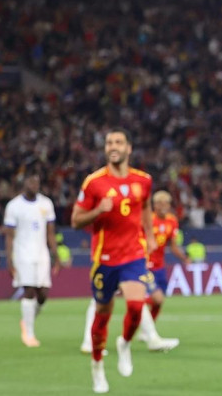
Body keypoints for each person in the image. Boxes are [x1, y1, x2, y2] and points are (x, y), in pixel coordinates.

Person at [71, 129, 157, 394]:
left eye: (118, 142)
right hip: (104, 260)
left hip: (133, 255)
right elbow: (75, 220)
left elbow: (145, 208)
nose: (113, 146)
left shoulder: (143, 180)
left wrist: (151, 236)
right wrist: (98, 211)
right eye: (109, 142)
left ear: (129, 148)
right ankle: (97, 366)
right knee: (103, 315)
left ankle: (125, 343)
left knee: (135, 305)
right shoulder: (94, 182)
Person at [2, 173, 59, 347]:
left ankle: (27, 322)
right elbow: (9, 236)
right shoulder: (14, 206)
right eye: (31, 181)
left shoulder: (46, 204)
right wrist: (9, 259)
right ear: (24, 183)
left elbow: (50, 232)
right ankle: (29, 334)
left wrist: (56, 256)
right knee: (29, 291)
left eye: (37, 181)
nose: (34, 184)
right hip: (22, 253)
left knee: (43, 295)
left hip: (41, 254)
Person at [135, 190, 186, 351]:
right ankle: (137, 307)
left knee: (160, 301)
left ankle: (145, 330)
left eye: (167, 203)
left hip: (160, 266)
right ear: (154, 205)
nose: (164, 206)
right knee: (157, 299)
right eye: (160, 203)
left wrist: (184, 258)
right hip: (146, 265)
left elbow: (174, 246)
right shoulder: (148, 219)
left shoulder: (172, 221)